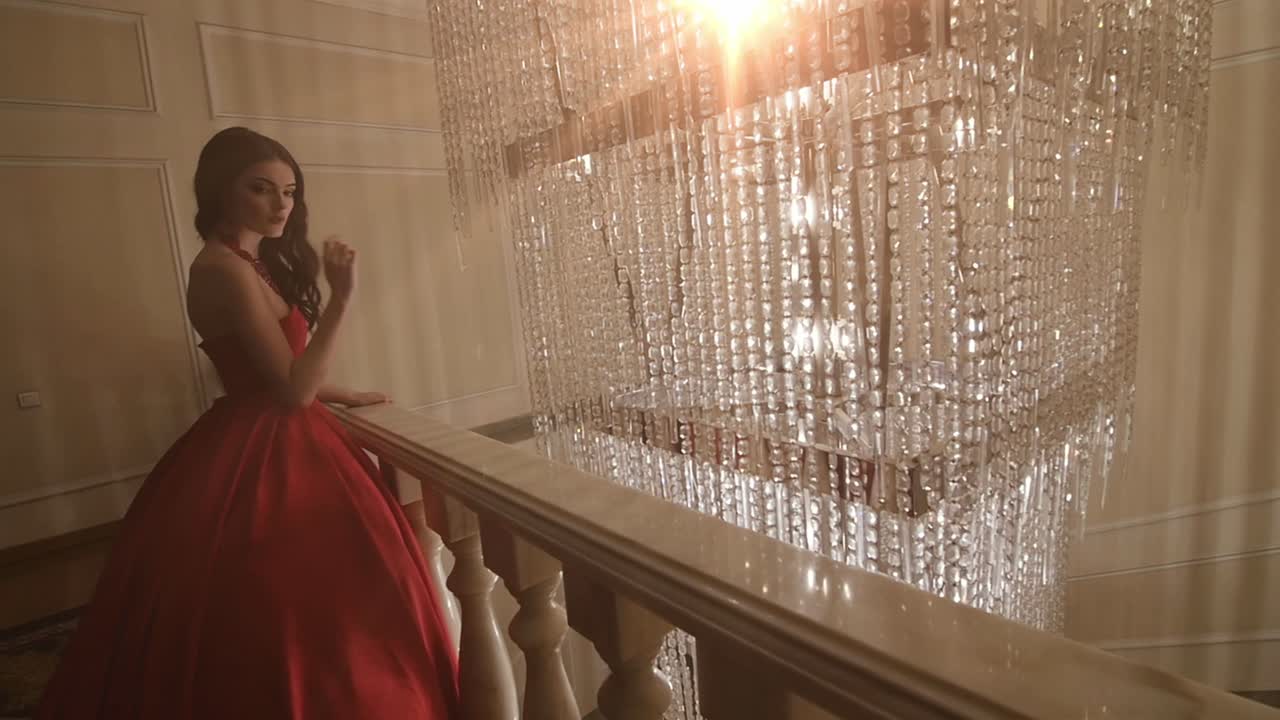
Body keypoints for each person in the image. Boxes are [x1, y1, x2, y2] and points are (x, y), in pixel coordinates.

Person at [37, 126, 460, 718]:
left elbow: (276, 370)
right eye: (261, 190)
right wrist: (341, 300)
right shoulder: (221, 269)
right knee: (291, 603)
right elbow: (290, 392)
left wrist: (344, 393)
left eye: (288, 190)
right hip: (271, 442)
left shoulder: (247, 261)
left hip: (272, 429)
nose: (281, 204)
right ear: (220, 192)